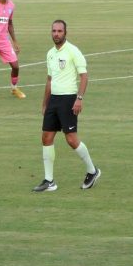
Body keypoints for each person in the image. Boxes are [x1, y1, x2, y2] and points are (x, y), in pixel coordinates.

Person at [33, 20, 100, 192]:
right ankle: (49, 181)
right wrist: (44, 103)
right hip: (54, 100)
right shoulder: (50, 54)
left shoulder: (73, 51)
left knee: (71, 139)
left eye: (59, 31)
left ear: (65, 32)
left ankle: (92, 171)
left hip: (68, 99)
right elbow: (49, 80)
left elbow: (84, 76)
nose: (56, 34)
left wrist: (79, 98)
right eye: (54, 31)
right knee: (46, 137)